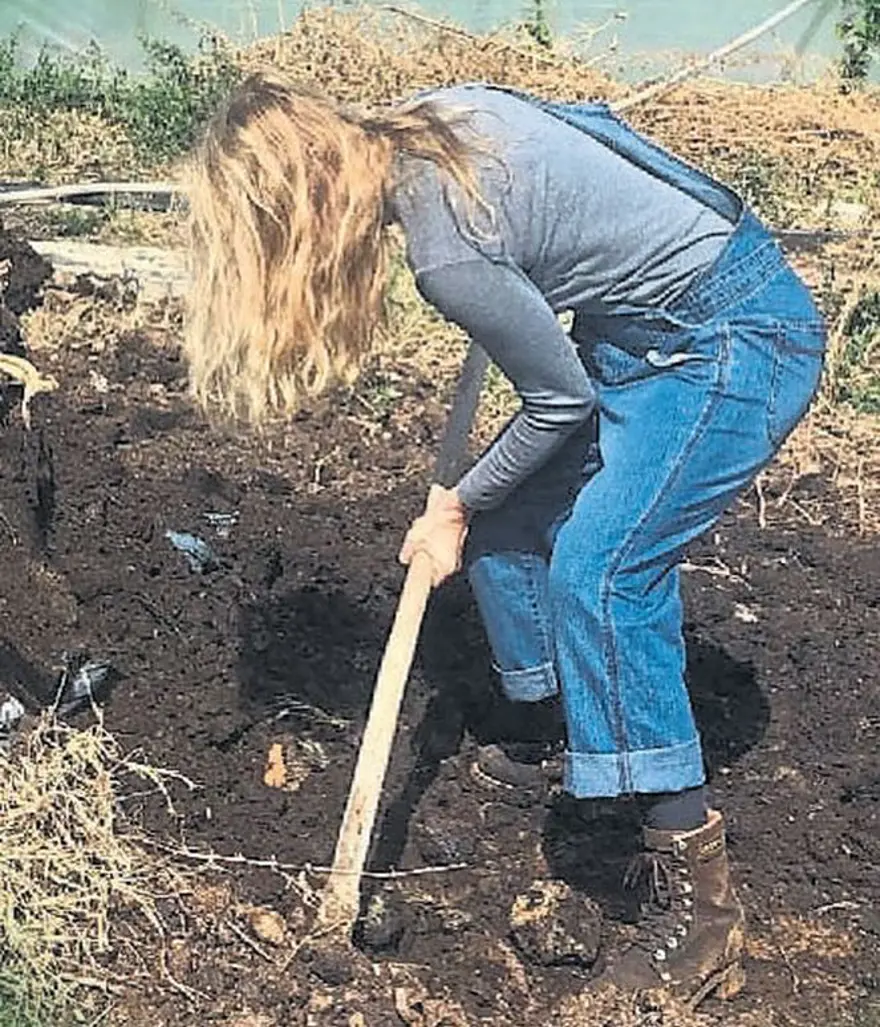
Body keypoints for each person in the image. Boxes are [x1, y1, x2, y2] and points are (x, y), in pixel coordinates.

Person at [183, 71, 826, 1005]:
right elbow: (594, 128)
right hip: (643, 327)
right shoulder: (437, 112)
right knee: (514, 518)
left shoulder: (444, 250)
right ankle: (560, 725)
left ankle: (704, 909)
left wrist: (449, 503)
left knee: (604, 570)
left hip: (730, 338)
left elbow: (557, 403)